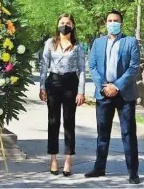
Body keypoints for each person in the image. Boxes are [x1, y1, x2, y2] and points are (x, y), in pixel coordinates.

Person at [85, 10, 140, 184]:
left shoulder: (130, 42)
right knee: (103, 134)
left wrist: (116, 86)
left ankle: (133, 172)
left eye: (116, 20)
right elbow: (92, 66)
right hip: (103, 94)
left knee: (128, 133)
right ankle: (99, 167)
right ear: (105, 23)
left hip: (124, 94)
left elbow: (133, 67)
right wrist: (104, 86)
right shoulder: (98, 43)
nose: (113, 23)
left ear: (121, 23)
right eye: (110, 20)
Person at [39, 13, 85, 176]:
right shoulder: (50, 43)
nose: (65, 25)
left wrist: (81, 91)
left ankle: (67, 161)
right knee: (53, 121)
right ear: (57, 24)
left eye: (68, 23)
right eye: (62, 22)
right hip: (54, 83)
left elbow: (81, 69)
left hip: (70, 83)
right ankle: (53, 159)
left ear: (73, 26)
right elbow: (44, 66)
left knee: (69, 122)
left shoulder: (78, 45)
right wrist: (42, 87)